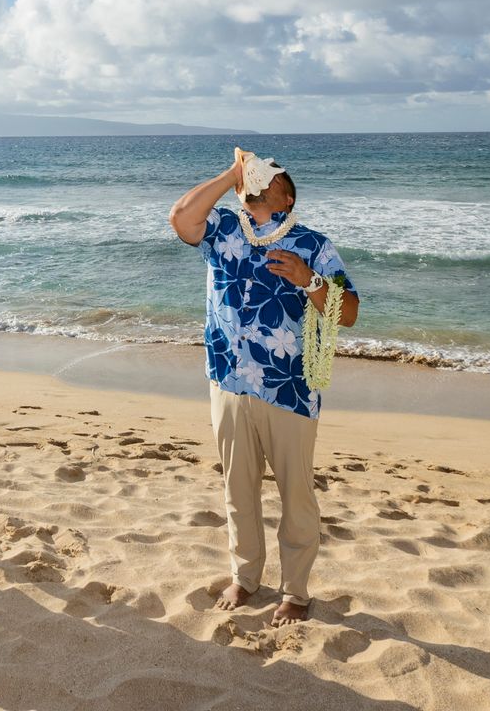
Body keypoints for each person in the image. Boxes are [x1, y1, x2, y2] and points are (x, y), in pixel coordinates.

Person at [168, 148, 360, 625]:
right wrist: (232, 174)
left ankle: (295, 592)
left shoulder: (313, 244)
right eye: (255, 171)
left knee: (296, 494)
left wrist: (309, 279)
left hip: (289, 389)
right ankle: (246, 576)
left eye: (270, 174)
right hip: (228, 381)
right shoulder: (224, 229)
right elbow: (180, 217)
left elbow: (350, 311)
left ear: (286, 196)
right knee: (238, 489)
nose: (261, 173)